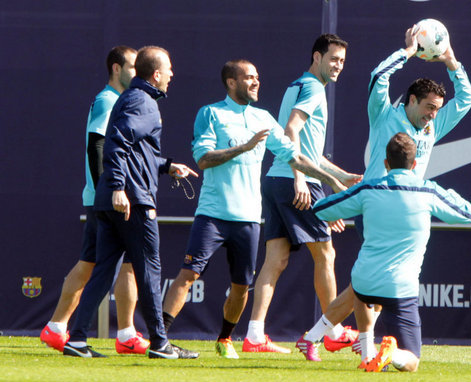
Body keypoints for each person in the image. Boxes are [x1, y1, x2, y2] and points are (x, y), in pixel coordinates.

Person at [296, 24, 471, 361]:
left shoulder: (432, 126)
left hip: (409, 209)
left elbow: (467, 99)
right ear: (411, 101)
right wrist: (408, 52)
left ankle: (320, 338)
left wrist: (451, 60)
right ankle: (361, 347)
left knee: (365, 286)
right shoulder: (384, 115)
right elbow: (379, 76)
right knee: (369, 286)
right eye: (428, 107)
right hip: (376, 205)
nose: (433, 115)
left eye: (437, 109)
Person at [161, 59, 348, 359]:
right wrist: (243, 148)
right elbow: (203, 159)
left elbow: (295, 156)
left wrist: (331, 181)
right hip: (212, 215)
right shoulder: (211, 113)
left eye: (257, 77)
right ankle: (160, 338)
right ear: (231, 83)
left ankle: (225, 339)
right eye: (248, 78)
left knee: (240, 287)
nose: (256, 82)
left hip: (248, 219)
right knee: (188, 275)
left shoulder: (263, 117)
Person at [63, 46, 199, 359]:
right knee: (149, 270)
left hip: (117, 202)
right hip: (132, 202)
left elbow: (137, 151)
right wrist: (117, 189)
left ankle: (77, 339)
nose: (172, 75)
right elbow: (117, 144)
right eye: (168, 69)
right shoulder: (143, 101)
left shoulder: (132, 97)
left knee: (104, 272)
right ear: (155, 74)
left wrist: (166, 166)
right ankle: (161, 344)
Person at [312, 132, 471, 372]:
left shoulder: (368, 188)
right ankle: (392, 354)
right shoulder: (428, 191)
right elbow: (467, 214)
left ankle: (368, 355)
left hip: (364, 284)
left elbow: (321, 209)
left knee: (362, 286)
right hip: (400, 287)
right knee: (411, 362)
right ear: (415, 164)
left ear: (385, 164)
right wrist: (446, 192)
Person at [243, 33, 362, 355]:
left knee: (276, 259)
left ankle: (254, 334)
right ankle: (333, 330)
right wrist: (299, 179)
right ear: (317, 57)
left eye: (342, 61)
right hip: (294, 181)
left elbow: (310, 151)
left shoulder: (298, 85)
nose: (338, 66)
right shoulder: (312, 88)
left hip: (275, 180)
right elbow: (291, 131)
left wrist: (341, 175)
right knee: (326, 254)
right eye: (334, 59)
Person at [40, 46, 150, 355]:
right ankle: (68, 328)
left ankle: (62, 327)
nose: (137, 73)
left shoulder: (119, 100)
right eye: (132, 67)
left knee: (100, 263)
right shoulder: (108, 100)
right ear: (116, 68)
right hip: (108, 200)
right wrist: (110, 190)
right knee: (115, 264)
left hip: (108, 198)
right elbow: (96, 144)